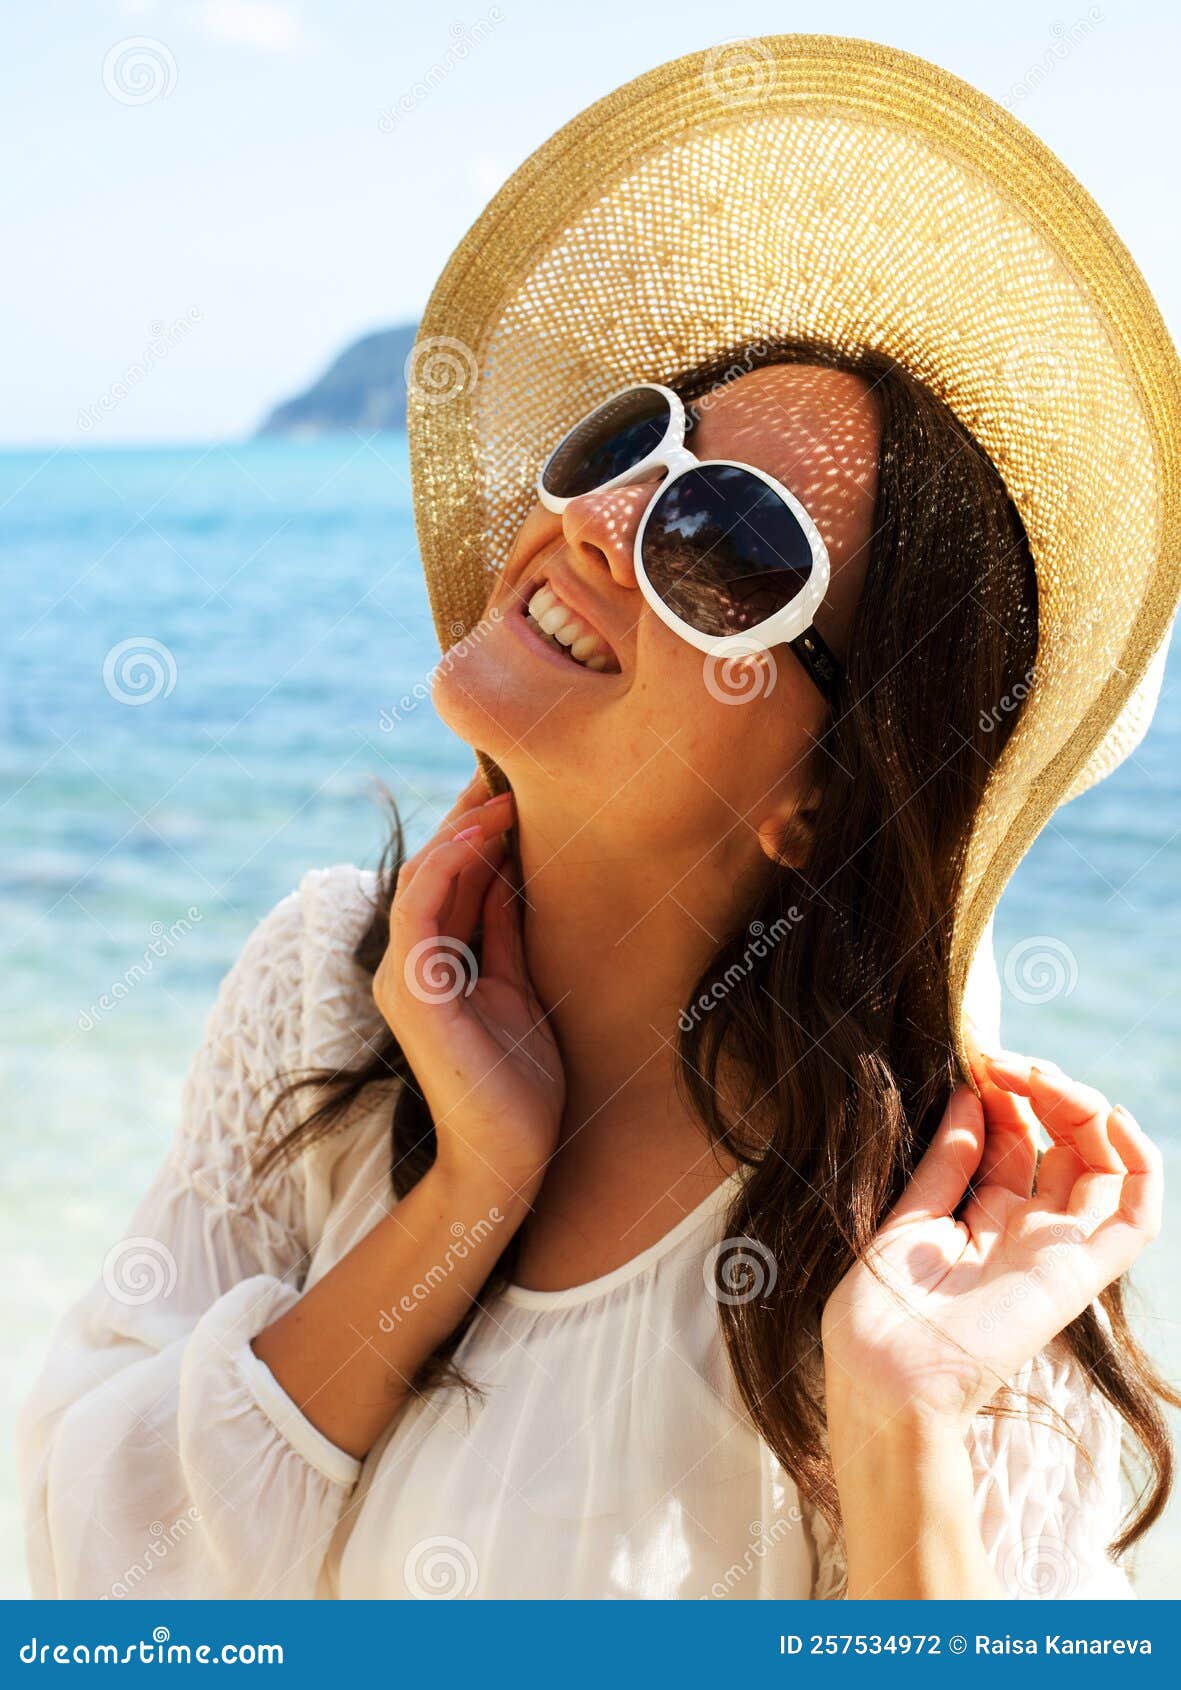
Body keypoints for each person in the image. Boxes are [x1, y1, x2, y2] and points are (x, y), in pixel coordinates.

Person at [21, 37, 1181, 1601]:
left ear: (824, 789)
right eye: (633, 443)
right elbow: (98, 1592)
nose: (599, 515)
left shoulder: (954, 1229)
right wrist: (459, 1202)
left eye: (720, 541)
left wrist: (902, 1412)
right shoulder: (321, 991)